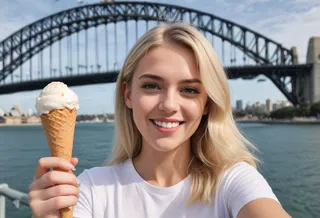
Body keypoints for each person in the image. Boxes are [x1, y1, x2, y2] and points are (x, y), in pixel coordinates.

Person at [28, 23, 292, 218]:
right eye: (152, 85)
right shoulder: (88, 189)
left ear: (206, 104)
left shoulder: (234, 181)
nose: (168, 104)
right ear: (128, 94)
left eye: (190, 90)